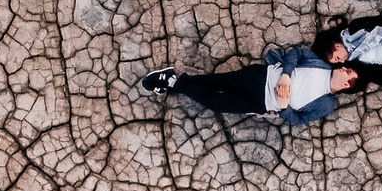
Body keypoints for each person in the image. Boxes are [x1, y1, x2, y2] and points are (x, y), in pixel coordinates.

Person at [139, 47, 363, 125]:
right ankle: (173, 82)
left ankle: (173, 81)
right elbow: (296, 53)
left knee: (218, 103)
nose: (343, 68)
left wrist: (284, 108)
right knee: (217, 81)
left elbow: (300, 120)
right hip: (261, 77)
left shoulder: (326, 104)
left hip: (261, 102)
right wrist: (286, 76)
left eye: (347, 72)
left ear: (346, 85)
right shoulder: (322, 65)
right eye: (346, 67)